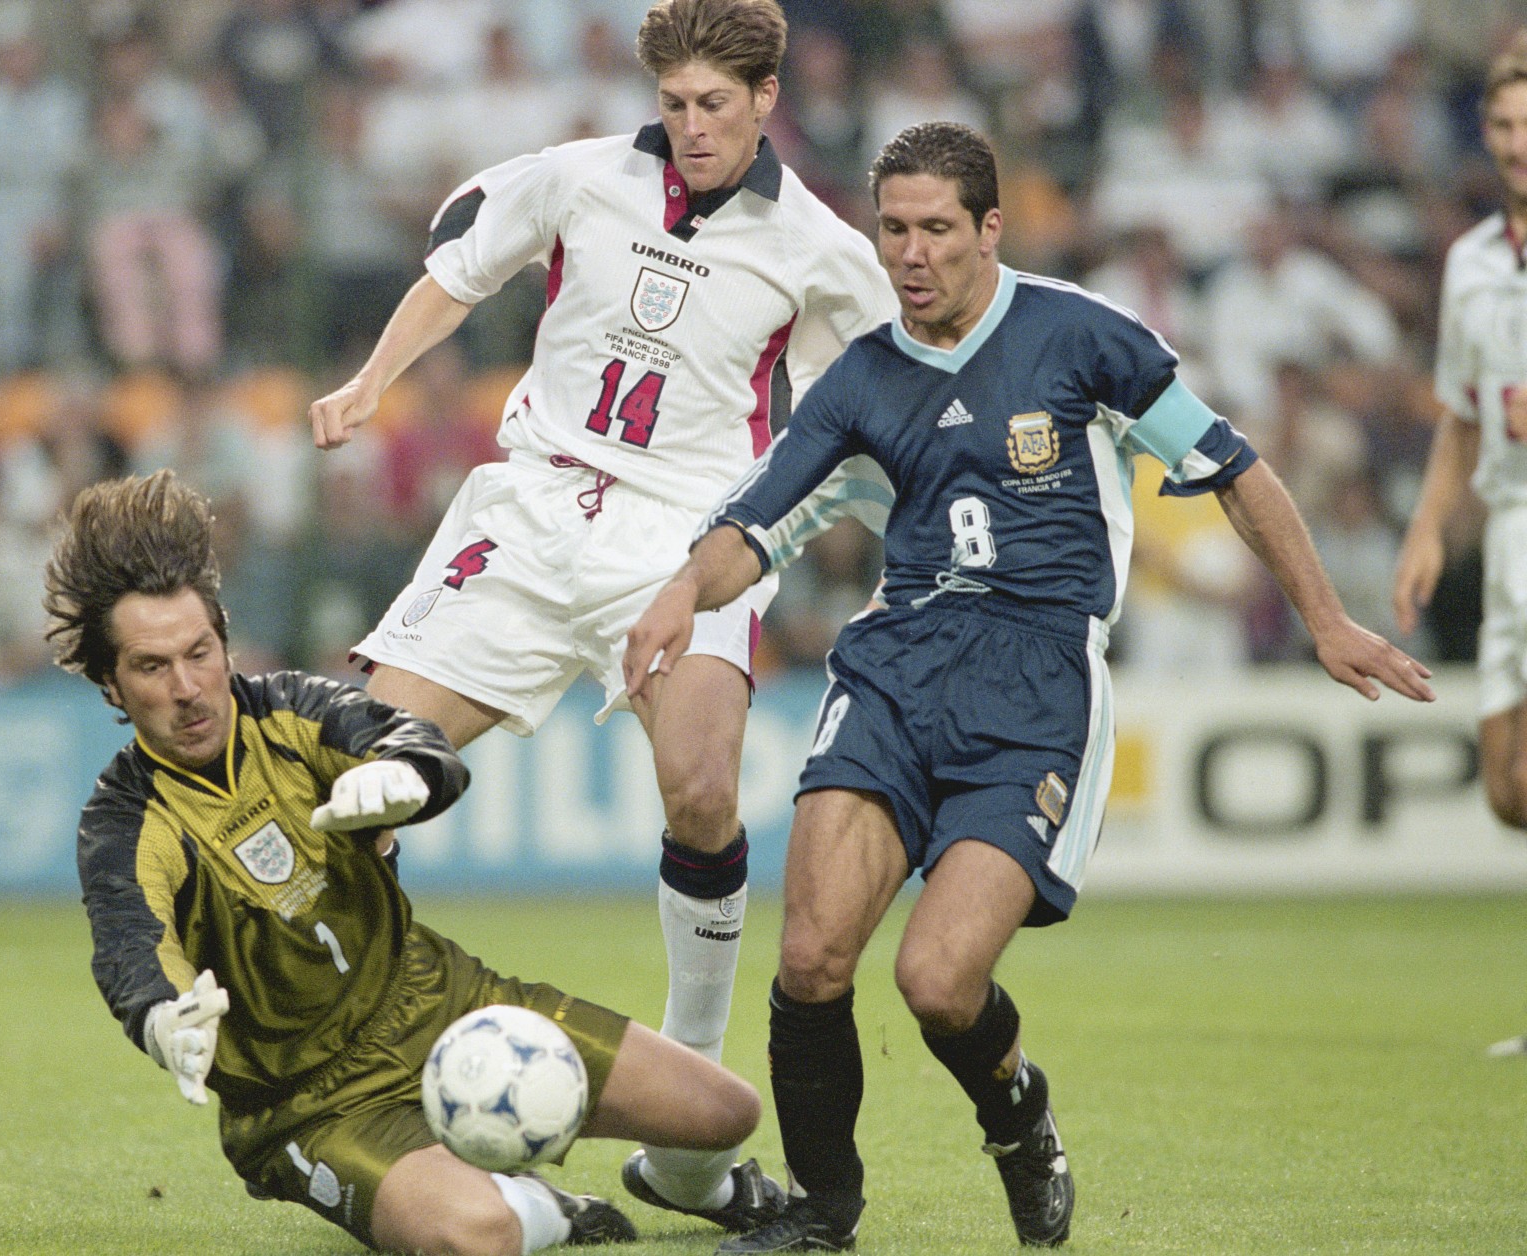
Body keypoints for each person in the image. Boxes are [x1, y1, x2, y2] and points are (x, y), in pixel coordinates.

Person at [624, 121, 1436, 1253]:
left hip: (1036, 676)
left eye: (937, 230)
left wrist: (1324, 618)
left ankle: (1018, 1110)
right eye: (893, 229)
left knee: (938, 980)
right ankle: (822, 1210)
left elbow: (1233, 468)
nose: (911, 254)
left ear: (990, 227)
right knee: (811, 957)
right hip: (897, 663)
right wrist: (679, 594)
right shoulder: (861, 373)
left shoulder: (1081, 336)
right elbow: (752, 524)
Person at [308, 0, 896, 1229]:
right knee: (354, 775)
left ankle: (686, 1137)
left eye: (714, 107)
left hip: (684, 536)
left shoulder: (820, 248)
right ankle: (352, 1082)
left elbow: (870, 410)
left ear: (767, 97)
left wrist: (817, 532)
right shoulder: (576, 177)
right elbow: (453, 274)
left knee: (701, 789)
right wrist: (371, 381)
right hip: (529, 512)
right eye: (674, 104)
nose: (690, 128)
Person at [45, 469, 775, 1256]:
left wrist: (407, 774)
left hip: (443, 1005)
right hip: (311, 1105)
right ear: (111, 683)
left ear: (224, 637)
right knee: (476, 1237)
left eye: (200, 652)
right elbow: (131, 947)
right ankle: (548, 1210)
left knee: (725, 1113)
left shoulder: (292, 711)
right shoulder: (125, 822)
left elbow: (407, 738)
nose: (188, 688)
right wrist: (160, 1016)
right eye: (153, 667)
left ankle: (668, 1182)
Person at [1393, 32, 1527, 1062]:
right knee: (1507, 787)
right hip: (1509, 533)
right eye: (1504, 125)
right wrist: (1429, 528)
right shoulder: (1474, 260)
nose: (1518, 145)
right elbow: (1460, 417)